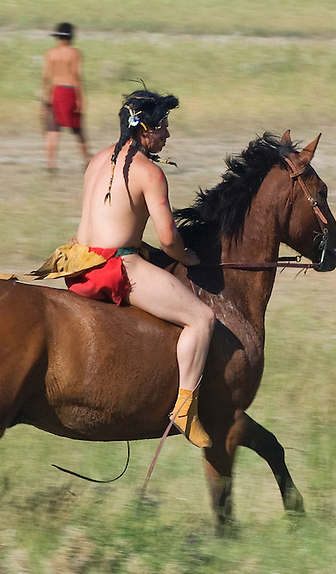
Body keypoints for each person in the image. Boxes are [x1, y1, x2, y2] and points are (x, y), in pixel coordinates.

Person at [42, 90, 216, 447]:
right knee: (202, 319)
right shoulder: (149, 172)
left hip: (77, 264)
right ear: (145, 130)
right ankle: (184, 408)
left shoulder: (97, 159)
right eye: (163, 127)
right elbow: (169, 239)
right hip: (113, 267)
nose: (167, 135)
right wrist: (187, 258)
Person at [40, 22, 89, 171]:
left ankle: (50, 163)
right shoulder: (75, 53)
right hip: (71, 91)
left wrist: (43, 100)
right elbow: (77, 75)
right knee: (78, 129)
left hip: (56, 91)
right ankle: (86, 160)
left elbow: (46, 77)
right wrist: (81, 97)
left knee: (53, 129)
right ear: (71, 37)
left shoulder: (50, 54)